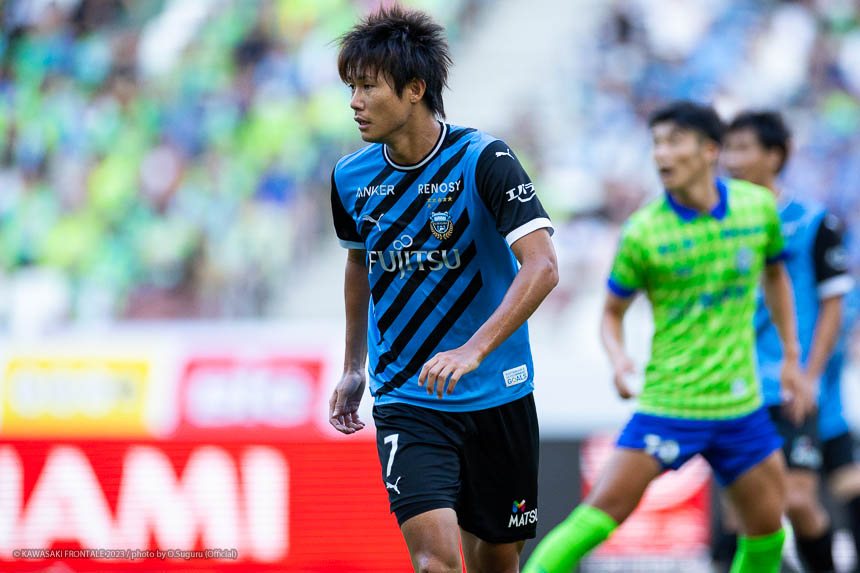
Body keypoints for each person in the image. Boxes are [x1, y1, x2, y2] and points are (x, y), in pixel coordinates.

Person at [524, 101, 813, 573]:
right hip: (670, 403)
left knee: (767, 531)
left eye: (674, 141)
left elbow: (777, 276)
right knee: (596, 518)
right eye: (656, 143)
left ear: (709, 150)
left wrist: (791, 358)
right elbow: (611, 313)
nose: (661, 153)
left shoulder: (757, 209)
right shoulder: (643, 232)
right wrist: (618, 359)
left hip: (740, 407)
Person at [327, 6, 558, 573]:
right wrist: (354, 365)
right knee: (435, 563)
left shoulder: (485, 160)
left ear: (414, 89)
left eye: (367, 87)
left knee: (497, 560)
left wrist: (472, 350)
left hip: (498, 391)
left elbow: (543, 267)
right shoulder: (349, 177)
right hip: (407, 395)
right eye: (351, 87)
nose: (354, 102)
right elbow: (358, 263)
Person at [715, 110, 857, 571]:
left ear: (774, 156)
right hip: (735, 387)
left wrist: (811, 375)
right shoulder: (718, 223)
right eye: (728, 148)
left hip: (792, 384)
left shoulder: (814, 222)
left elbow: (833, 306)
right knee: (741, 514)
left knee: (797, 499)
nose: (732, 159)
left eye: (743, 148)